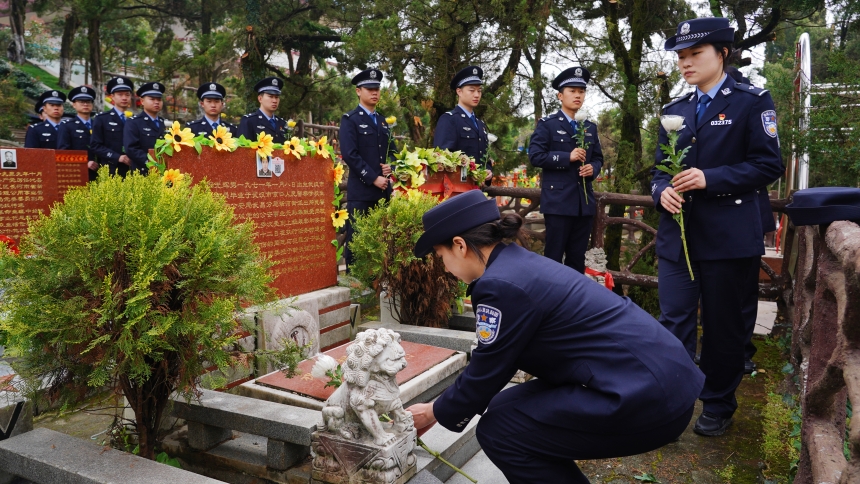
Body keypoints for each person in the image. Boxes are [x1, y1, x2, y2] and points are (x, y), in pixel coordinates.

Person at [405, 190, 704, 484]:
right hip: (655, 378)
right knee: (503, 409)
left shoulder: (500, 286)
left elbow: (486, 370)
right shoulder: (516, 265)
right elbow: (498, 364)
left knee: (501, 431)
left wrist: (433, 411)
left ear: (459, 245)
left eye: (440, 255)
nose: (443, 267)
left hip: (645, 397)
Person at [650, 17, 783, 437]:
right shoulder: (675, 110)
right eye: (681, 56)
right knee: (674, 321)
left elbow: (768, 164)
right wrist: (660, 193)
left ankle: (719, 403)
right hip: (678, 237)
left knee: (725, 327)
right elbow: (658, 170)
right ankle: (671, 402)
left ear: (722, 53)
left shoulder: (752, 101)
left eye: (695, 54)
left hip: (728, 236)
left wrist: (712, 178)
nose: (685, 63)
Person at [528, 66, 604, 273]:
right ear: (560, 96)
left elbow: (598, 158)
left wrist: (593, 169)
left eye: (581, 91)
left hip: (584, 202)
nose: (578, 95)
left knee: (577, 259)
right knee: (553, 257)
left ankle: (572, 303)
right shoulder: (548, 125)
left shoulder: (590, 127)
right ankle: (550, 302)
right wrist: (566, 157)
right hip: (558, 203)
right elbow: (535, 156)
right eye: (572, 91)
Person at [338, 68, 395, 270]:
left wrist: (392, 166)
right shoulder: (350, 120)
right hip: (362, 192)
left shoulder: (383, 122)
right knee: (358, 241)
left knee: (382, 241)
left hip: (383, 192)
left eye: (377, 88)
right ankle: (355, 285)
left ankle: (377, 283)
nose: (374, 93)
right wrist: (373, 178)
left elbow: (393, 152)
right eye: (370, 88)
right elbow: (350, 155)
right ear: (358, 91)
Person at [434, 66, 492, 179]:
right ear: (459, 91)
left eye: (479, 91)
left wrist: (488, 172)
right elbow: (441, 158)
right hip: (458, 188)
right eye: (471, 90)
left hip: (478, 188)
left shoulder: (480, 124)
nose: (476, 95)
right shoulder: (449, 119)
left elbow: (484, 157)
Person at [91, 76, 135, 177]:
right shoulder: (102, 119)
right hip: (111, 170)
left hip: (133, 170)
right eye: (120, 94)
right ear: (112, 97)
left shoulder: (135, 120)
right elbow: (95, 145)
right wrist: (117, 157)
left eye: (127, 95)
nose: (124, 98)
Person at [124, 81, 166, 175]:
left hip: (162, 172)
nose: (156, 102)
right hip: (142, 172)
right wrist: (150, 162)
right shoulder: (134, 122)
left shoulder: (162, 122)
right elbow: (131, 148)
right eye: (152, 99)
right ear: (142, 101)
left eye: (159, 99)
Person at [57, 86, 99, 181]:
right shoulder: (67, 126)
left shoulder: (98, 125)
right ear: (74, 105)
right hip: (77, 173)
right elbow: (63, 152)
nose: (85, 104)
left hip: (100, 173)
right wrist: (85, 162)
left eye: (88, 102)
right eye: (81, 101)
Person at [238, 77, 287, 144]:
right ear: (260, 99)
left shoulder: (282, 123)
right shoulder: (249, 121)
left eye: (277, 97)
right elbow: (242, 150)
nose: (274, 101)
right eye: (270, 96)